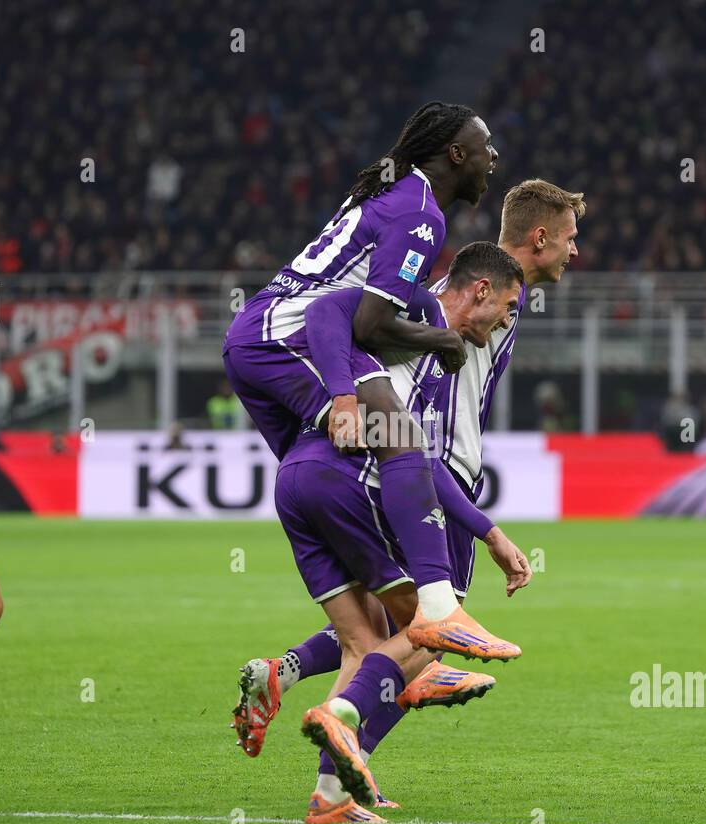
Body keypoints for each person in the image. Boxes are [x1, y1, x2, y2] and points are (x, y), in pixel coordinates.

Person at [233, 182, 585, 778]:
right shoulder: (454, 302)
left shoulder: (482, 292)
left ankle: (294, 689)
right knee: (430, 631)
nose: (576, 251)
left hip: (380, 463)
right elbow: (340, 314)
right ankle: (344, 742)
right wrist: (486, 527)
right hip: (424, 467)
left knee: (383, 624)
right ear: (539, 238)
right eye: (570, 237)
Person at [222, 102, 511, 658]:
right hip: (285, 335)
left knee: (331, 472)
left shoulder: (393, 197)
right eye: (485, 146)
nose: (492, 157)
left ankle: (375, 662)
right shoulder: (421, 214)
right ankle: (438, 607)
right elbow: (366, 323)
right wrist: (440, 339)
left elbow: (365, 315)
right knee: (399, 435)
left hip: (262, 340)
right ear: (456, 152)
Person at [271, 244, 532, 822]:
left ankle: (332, 790)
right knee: (424, 626)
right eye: (509, 307)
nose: (509, 320)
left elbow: (410, 444)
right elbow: (325, 313)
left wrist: (488, 532)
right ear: (480, 289)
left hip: (299, 477)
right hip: (353, 479)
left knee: (369, 637)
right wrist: (486, 530)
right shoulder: (414, 316)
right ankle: (345, 714)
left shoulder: (439, 353)